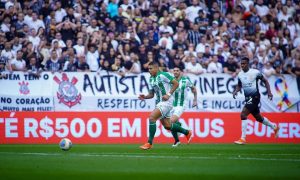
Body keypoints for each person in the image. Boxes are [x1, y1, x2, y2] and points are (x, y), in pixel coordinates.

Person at [138, 62, 192, 150]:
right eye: (148, 69)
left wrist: (168, 94)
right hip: (159, 102)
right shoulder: (151, 79)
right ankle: (186, 132)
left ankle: (149, 143)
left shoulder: (164, 75)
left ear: (156, 68)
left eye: (151, 68)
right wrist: (145, 97)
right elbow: (151, 94)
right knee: (167, 125)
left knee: (152, 118)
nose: (149, 70)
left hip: (167, 102)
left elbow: (176, 83)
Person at [232, 57, 280, 145]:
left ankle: (243, 138)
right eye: (241, 64)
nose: (242, 65)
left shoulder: (255, 72)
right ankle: (274, 127)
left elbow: (265, 81)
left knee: (243, 114)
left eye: (244, 63)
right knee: (258, 118)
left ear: (248, 64)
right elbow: (239, 85)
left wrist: (269, 92)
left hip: (255, 97)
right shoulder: (240, 74)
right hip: (248, 98)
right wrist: (236, 90)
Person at [170, 66, 198, 147]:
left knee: (171, 121)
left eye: (177, 71)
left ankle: (187, 132)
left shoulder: (185, 80)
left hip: (181, 104)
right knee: (169, 125)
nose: (175, 72)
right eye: (174, 70)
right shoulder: (170, 80)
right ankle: (177, 140)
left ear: (181, 72)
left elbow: (194, 89)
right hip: (172, 104)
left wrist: (195, 100)